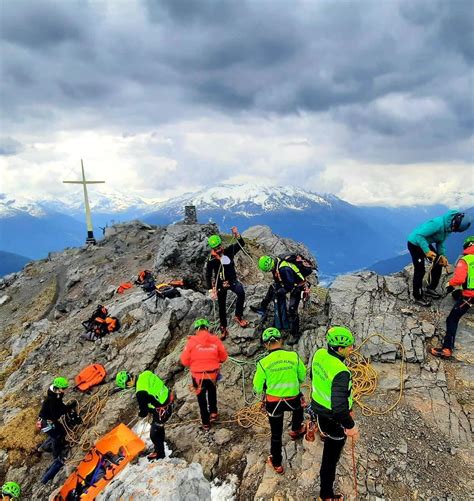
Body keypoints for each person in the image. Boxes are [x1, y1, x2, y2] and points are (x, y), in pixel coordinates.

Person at [311, 326, 359, 501]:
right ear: (339, 349)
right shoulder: (341, 372)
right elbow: (339, 409)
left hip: (318, 410)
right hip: (332, 419)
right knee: (330, 459)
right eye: (349, 346)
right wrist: (350, 426)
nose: (352, 349)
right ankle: (326, 495)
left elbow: (313, 377)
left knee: (328, 437)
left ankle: (323, 432)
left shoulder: (319, 354)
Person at [252, 327, 306, 474]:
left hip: (274, 403)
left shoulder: (263, 363)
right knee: (299, 404)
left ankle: (277, 463)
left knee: (276, 435)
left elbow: (257, 388)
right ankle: (296, 429)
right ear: (281, 341)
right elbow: (302, 376)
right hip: (292, 399)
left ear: (265, 345)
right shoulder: (293, 356)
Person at [407, 211, 471, 306]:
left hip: (425, 243)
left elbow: (440, 242)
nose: (454, 230)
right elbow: (419, 236)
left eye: (456, 230)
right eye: (455, 228)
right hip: (415, 243)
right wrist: (426, 251)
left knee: (438, 263)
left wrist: (442, 256)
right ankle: (418, 296)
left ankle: (430, 289)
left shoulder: (448, 227)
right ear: (454, 221)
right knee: (420, 270)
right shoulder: (437, 224)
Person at [180, 318, 228, 431]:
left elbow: (184, 361)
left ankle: (206, 423)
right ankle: (214, 413)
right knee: (212, 392)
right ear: (207, 328)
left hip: (198, 377)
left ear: (197, 330)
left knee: (201, 399)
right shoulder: (215, 340)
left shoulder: (191, 342)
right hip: (212, 375)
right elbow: (224, 357)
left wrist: (196, 362)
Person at [431, 235, 474, 359]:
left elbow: (459, 279)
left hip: (470, 296)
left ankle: (447, 349)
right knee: (458, 294)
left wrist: (450, 284)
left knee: (452, 319)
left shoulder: (465, 260)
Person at [116, 370, 173, 460]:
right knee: (158, 428)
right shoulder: (145, 374)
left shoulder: (140, 392)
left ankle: (160, 454)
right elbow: (151, 391)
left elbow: (144, 411)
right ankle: (159, 449)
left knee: (154, 434)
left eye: (127, 386)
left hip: (163, 411)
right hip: (167, 398)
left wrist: (141, 413)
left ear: (128, 383)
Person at [253, 255, 310, 344]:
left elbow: (289, 286)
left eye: (269, 270)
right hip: (291, 281)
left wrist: (280, 291)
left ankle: (295, 334)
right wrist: (276, 289)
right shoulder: (276, 262)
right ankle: (263, 307)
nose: (270, 271)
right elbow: (278, 281)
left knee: (292, 309)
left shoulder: (284, 269)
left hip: (299, 285)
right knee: (272, 288)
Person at [205, 227, 248, 340]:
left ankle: (238, 316)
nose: (219, 249)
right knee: (221, 306)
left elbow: (241, 243)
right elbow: (208, 275)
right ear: (212, 248)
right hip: (220, 284)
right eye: (216, 248)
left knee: (241, 292)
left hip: (232, 280)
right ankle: (223, 327)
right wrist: (211, 290)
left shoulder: (228, 251)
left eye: (219, 247)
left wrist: (236, 234)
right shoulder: (211, 260)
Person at [38, 377, 75, 461]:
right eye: (64, 388)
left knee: (61, 431)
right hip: (46, 422)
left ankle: (44, 447)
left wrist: (66, 408)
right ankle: (57, 455)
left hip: (49, 419)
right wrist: (67, 408)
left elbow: (60, 403)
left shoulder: (57, 393)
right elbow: (56, 415)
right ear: (58, 388)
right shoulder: (51, 399)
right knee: (57, 436)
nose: (65, 390)